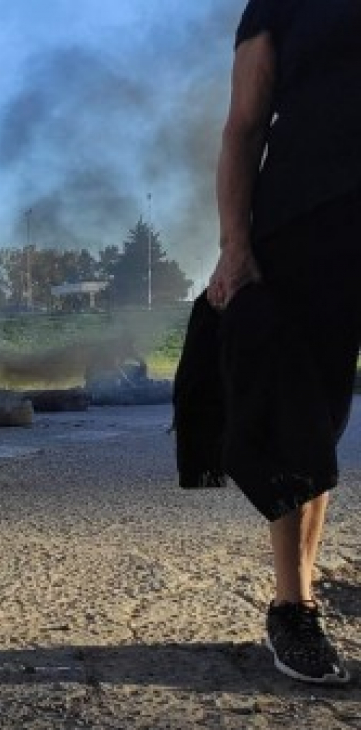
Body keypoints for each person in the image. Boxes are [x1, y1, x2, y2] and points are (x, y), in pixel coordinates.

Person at [202, 0, 361, 685]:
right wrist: (236, 246)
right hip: (306, 228)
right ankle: (293, 606)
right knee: (306, 419)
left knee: (323, 418)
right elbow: (243, 127)